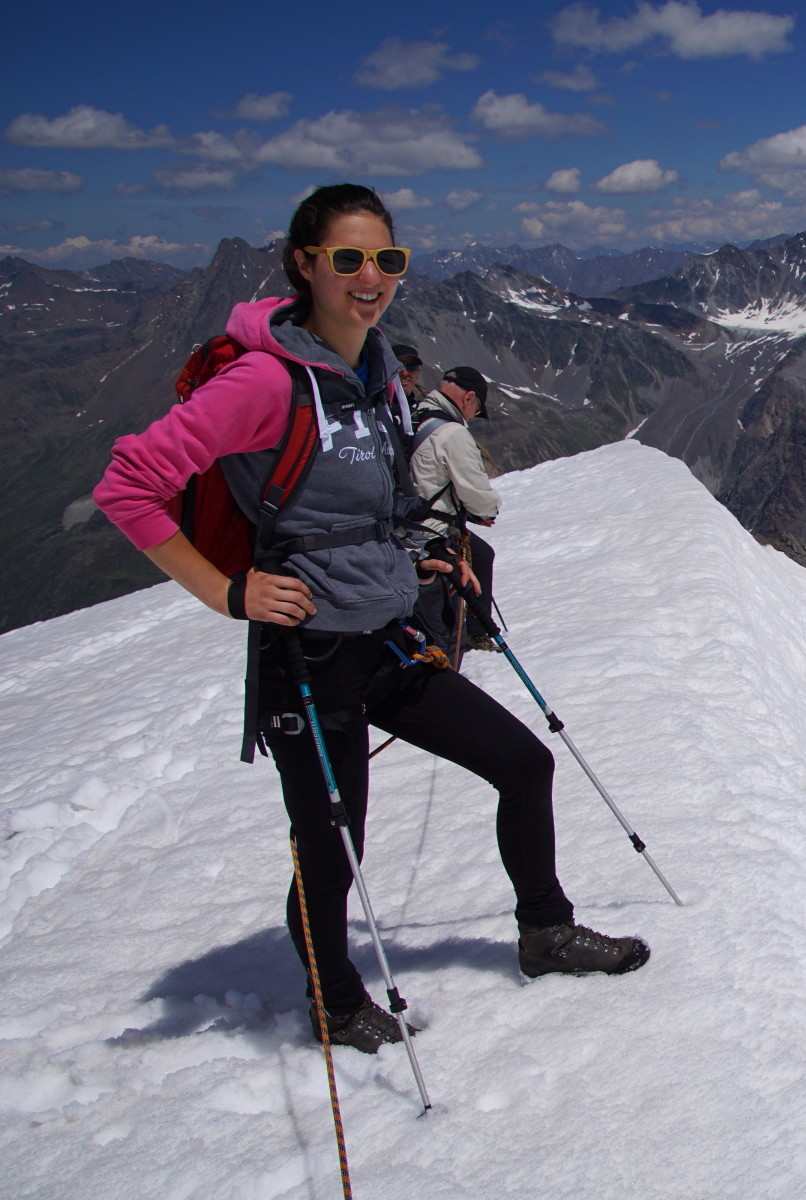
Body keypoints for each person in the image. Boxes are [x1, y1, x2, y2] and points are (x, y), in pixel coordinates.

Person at [94, 183, 648, 1054]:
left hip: (387, 636)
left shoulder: (376, 371)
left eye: (386, 260)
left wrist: (422, 550)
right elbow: (129, 482)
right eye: (347, 258)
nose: (369, 276)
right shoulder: (263, 381)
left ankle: (544, 934)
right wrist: (227, 592)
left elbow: (371, 497)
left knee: (522, 763)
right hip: (307, 657)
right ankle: (335, 997)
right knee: (333, 840)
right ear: (303, 265)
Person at [411, 365, 500, 658]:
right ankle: (464, 644)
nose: (473, 415)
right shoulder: (452, 434)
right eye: (476, 408)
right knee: (444, 632)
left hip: (402, 529)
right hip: (432, 534)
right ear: (469, 397)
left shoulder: (414, 414)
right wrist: (486, 512)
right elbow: (478, 495)